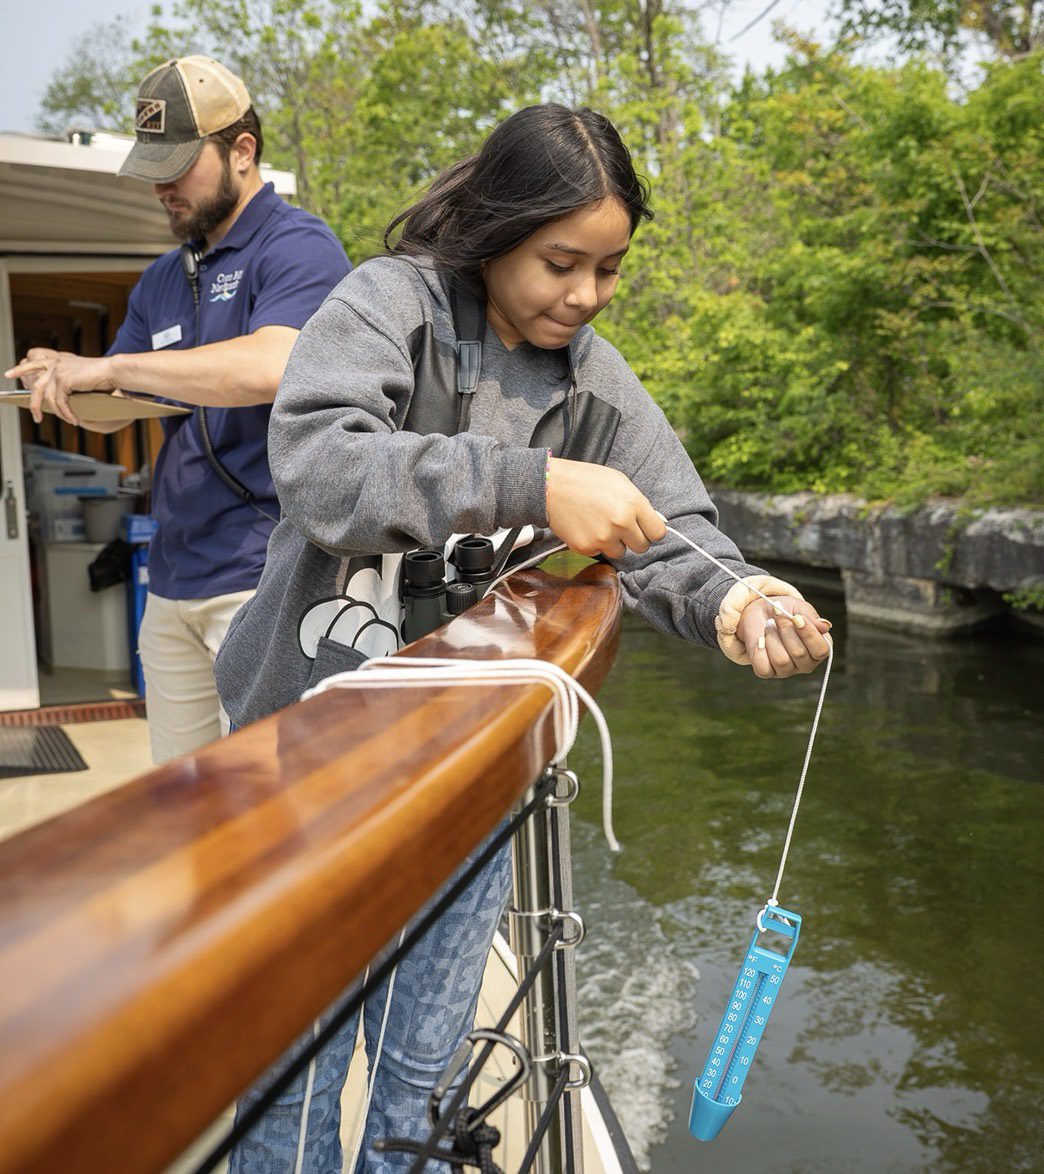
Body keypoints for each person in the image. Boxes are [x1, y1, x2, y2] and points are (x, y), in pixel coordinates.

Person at [214, 104, 832, 1171]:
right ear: (497, 226)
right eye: (560, 263)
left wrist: (739, 601)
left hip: (470, 769)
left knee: (421, 1074)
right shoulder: (386, 304)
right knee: (294, 1078)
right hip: (301, 767)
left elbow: (675, 525)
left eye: (609, 269)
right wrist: (535, 483)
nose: (584, 295)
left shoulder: (593, 377)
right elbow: (320, 464)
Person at [5, 56, 351, 763]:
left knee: (268, 802)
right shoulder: (163, 277)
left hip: (265, 574)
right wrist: (63, 384)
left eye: (179, 165)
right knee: (181, 804)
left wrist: (109, 364)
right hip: (171, 581)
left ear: (243, 152)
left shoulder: (299, 248)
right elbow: (120, 407)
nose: (161, 186)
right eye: (154, 167)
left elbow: (273, 365)